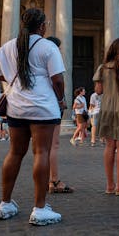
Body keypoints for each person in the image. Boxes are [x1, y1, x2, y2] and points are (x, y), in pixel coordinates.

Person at [0, 8, 65, 225]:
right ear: (42, 26)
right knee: (42, 152)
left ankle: (5, 203)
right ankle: (39, 208)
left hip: (16, 108)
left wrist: (10, 75)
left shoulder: (8, 46)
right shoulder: (48, 47)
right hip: (42, 107)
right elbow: (57, 79)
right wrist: (61, 98)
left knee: (15, 153)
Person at [93, 38, 119, 197]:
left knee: (109, 146)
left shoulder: (103, 68)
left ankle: (109, 185)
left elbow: (98, 91)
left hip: (107, 108)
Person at [45, 36, 73, 194]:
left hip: (38, 104)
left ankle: (45, 180)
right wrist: (62, 99)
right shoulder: (53, 58)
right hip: (53, 104)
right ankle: (54, 181)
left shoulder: (37, 58)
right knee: (53, 145)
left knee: (41, 146)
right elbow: (58, 80)